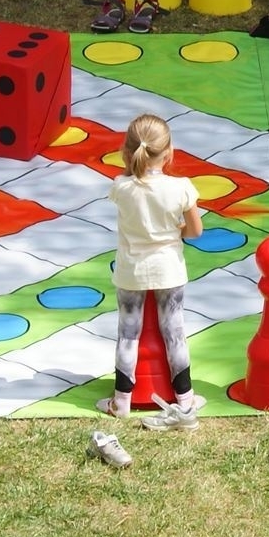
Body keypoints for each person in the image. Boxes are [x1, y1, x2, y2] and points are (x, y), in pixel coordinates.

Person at [97, 114, 206, 431]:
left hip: (132, 271)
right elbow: (195, 231)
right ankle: (185, 399)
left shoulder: (121, 187)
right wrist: (174, 230)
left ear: (128, 151)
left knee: (127, 333)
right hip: (169, 269)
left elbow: (132, 188)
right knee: (175, 331)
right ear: (169, 152)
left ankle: (121, 400)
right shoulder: (181, 188)